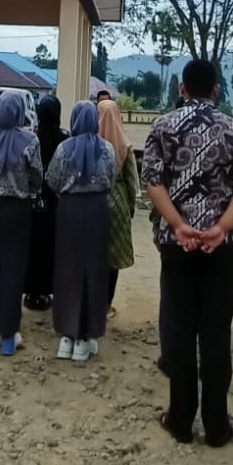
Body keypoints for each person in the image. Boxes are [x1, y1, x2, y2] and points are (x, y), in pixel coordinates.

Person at [143, 59, 233, 449]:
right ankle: (216, 424)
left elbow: (152, 181)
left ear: (182, 88)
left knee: (179, 330)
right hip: (219, 246)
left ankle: (180, 419)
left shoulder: (163, 126)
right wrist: (222, 227)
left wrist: (178, 224)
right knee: (215, 332)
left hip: (177, 244)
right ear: (216, 90)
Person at [0, 90, 44, 356]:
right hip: (18, 211)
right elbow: (37, 176)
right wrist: (27, 191)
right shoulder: (31, 140)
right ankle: (8, 337)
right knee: (12, 271)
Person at [47, 100, 117, 363]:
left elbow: (52, 179)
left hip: (69, 212)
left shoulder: (63, 148)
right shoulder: (107, 149)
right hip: (98, 211)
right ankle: (85, 338)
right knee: (94, 271)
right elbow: (112, 179)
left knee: (68, 270)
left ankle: (67, 337)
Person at [25, 96, 68, 310]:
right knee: (52, 246)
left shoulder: (31, 137)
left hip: (33, 201)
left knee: (33, 246)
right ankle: (47, 290)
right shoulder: (64, 139)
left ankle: (31, 291)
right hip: (56, 202)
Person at [98, 93, 138, 318]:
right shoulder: (124, 145)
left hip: (94, 203)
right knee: (112, 260)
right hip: (118, 202)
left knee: (94, 255)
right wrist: (130, 206)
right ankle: (106, 305)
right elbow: (132, 181)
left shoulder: (91, 144)